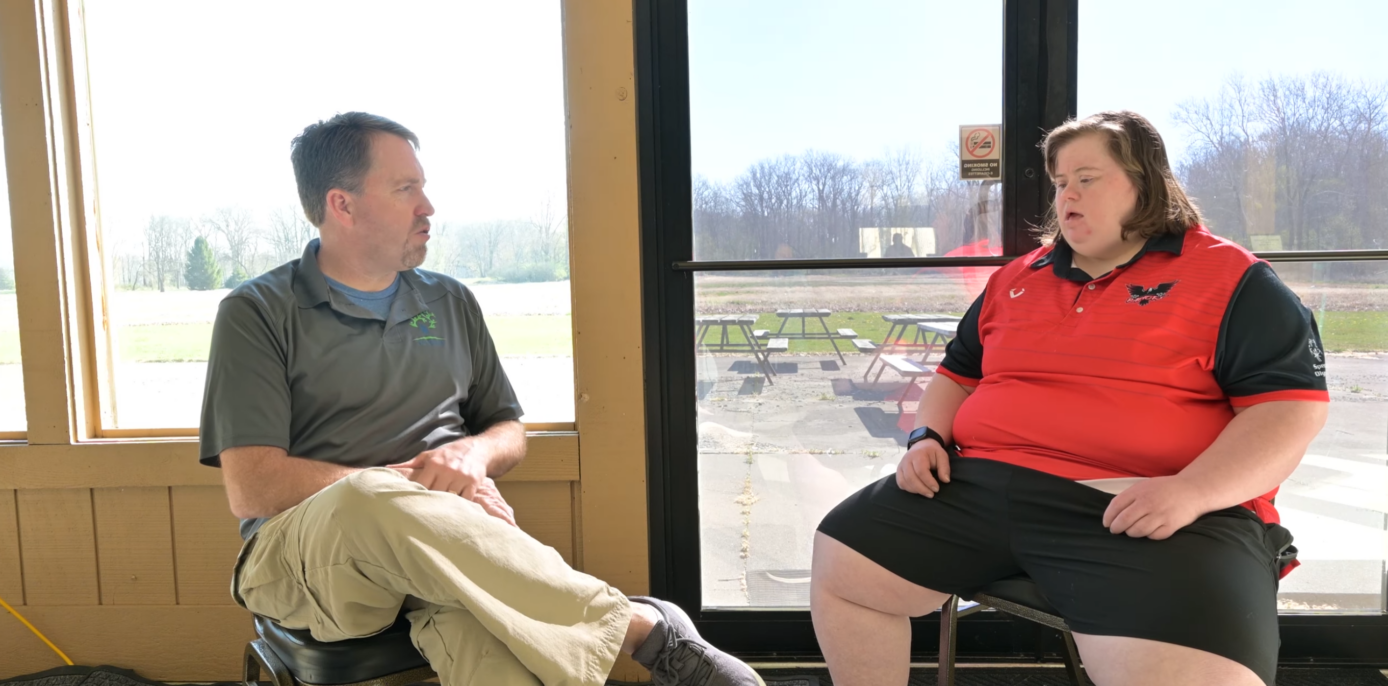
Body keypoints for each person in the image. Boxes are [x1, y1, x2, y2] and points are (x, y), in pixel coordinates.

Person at [199, 112, 764, 686]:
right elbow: (254, 488)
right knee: (368, 497)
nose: (428, 206)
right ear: (341, 205)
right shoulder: (257, 312)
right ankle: (644, 632)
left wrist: (471, 459)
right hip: (311, 561)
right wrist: (414, 485)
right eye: (406, 188)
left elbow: (507, 430)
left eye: (422, 185)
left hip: (450, 548)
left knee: (501, 655)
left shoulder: (450, 301)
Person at [810, 110, 1328, 686]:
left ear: (1146, 181)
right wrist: (926, 437)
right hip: (980, 486)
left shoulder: (1232, 279)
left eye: (1088, 177)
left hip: (1149, 506)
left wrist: (1192, 492)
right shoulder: (1016, 279)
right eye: (1059, 182)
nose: (1067, 194)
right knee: (843, 558)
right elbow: (957, 376)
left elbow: (1290, 411)